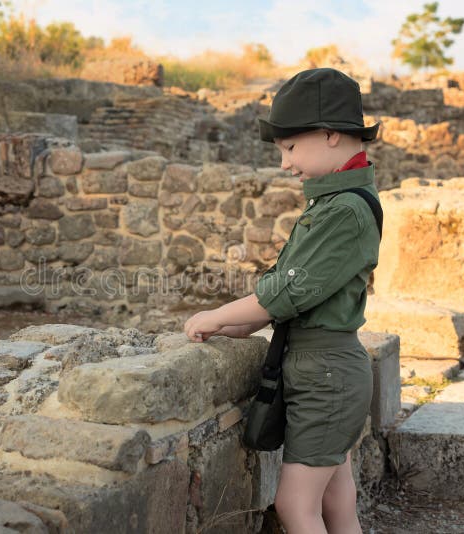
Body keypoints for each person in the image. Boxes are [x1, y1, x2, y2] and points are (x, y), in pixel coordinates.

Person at [184, 67, 382, 534]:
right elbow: (299, 292)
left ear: (331, 135)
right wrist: (242, 324)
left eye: (290, 147)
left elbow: (285, 292)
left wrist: (218, 314)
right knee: (335, 501)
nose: (284, 163)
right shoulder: (336, 202)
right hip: (327, 370)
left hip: (327, 375)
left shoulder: (346, 210)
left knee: (295, 505)